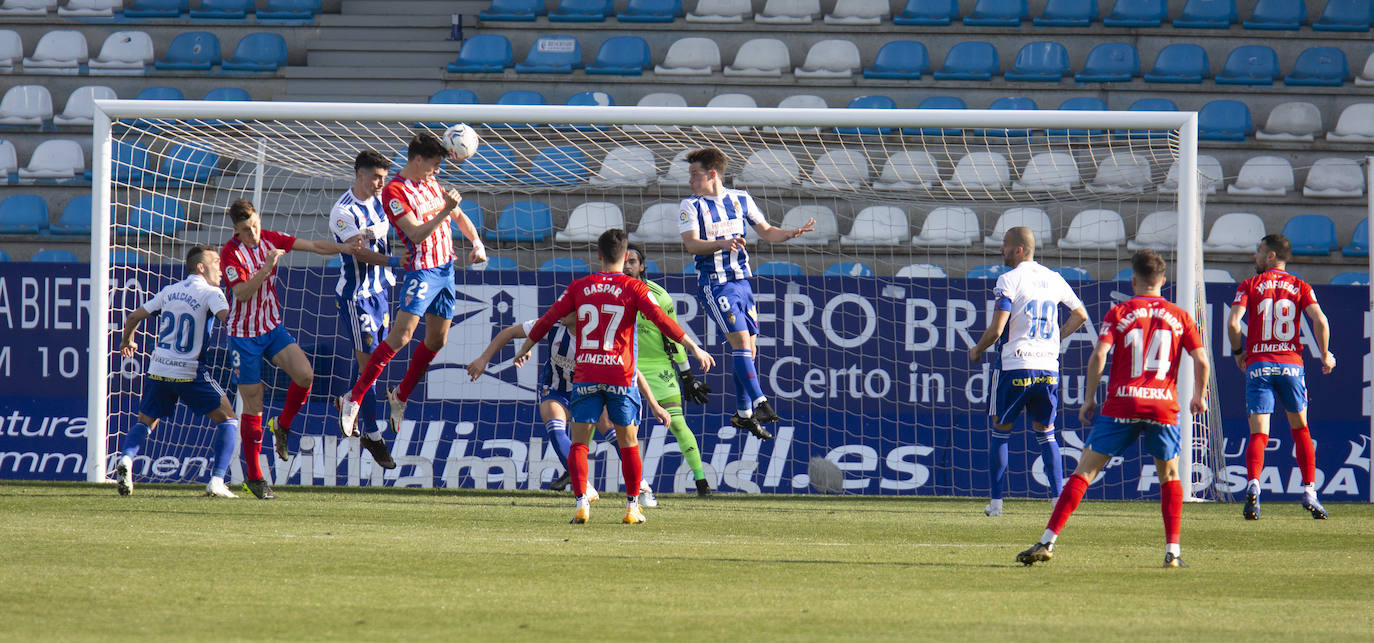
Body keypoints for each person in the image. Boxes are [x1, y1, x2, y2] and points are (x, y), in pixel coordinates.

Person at [1018, 250, 1210, 569]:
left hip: (1122, 400)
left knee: (1085, 472)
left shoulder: (1120, 311)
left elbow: (1099, 355)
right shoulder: (1180, 315)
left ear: (1133, 280)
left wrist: (1090, 397)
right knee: (1170, 475)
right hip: (1162, 404)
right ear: (1162, 281)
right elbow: (1202, 360)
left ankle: (1047, 541)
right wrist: (1199, 397)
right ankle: (1173, 553)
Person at [514, 229, 714, 525]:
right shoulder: (635, 288)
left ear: (598, 256)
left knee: (580, 442)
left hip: (587, 373)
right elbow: (663, 321)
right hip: (620, 375)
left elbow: (546, 321)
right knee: (628, 442)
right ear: (624, 256)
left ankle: (582, 502)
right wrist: (693, 347)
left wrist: (524, 348)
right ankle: (632, 507)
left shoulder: (580, 286)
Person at [338, 132, 485, 436]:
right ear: (418, 160)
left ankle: (400, 395)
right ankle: (354, 397)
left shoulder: (430, 182)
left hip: (446, 270)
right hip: (423, 271)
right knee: (401, 336)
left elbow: (457, 215)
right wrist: (444, 210)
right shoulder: (395, 191)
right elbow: (416, 234)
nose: (438, 170)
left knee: (437, 340)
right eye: (433, 164)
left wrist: (476, 241)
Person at [222, 198, 358, 499]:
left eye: (255, 225)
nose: (254, 233)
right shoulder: (231, 254)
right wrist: (267, 267)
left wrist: (344, 248)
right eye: (247, 229)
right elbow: (242, 293)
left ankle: (282, 425)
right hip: (243, 336)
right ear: (236, 230)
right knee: (254, 403)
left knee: (305, 376)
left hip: (271, 328)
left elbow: (313, 246)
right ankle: (255, 477)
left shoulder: (270, 238)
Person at [678, 147, 813, 440]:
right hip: (714, 283)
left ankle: (743, 415)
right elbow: (691, 245)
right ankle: (760, 401)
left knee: (748, 350)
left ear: (712, 174)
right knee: (740, 341)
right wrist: (723, 244)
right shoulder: (690, 206)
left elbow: (766, 231)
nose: (690, 181)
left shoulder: (741, 199)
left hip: (742, 283)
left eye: (695, 175)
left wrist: (790, 232)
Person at [466, 315, 671, 504]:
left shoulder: (598, 337)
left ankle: (641, 485)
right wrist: (484, 359)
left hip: (590, 391)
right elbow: (508, 332)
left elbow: (632, 369)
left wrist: (654, 405)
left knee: (614, 432)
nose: (562, 313)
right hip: (556, 389)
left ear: (581, 312)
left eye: (567, 309)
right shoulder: (551, 324)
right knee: (555, 428)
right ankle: (584, 486)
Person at [968, 227, 1089, 516]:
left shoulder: (1008, 279)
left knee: (1000, 432)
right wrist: (1055, 339)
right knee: (1047, 434)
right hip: (1048, 367)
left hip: (1015, 365)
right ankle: (1057, 500)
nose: (1002, 250)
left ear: (1019, 250)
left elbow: (997, 330)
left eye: (1006, 246)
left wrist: (976, 350)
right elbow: (1081, 315)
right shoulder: (1054, 278)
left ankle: (996, 505)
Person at [114, 245, 240, 498]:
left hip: (158, 368)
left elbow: (133, 316)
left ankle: (126, 460)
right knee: (229, 419)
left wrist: (127, 340)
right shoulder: (212, 293)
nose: (220, 268)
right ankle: (216, 481)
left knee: (146, 420)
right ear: (201, 267)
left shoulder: (169, 291)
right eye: (215, 262)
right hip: (189, 371)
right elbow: (230, 321)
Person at [1225, 234, 1335, 521]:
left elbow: (1234, 322)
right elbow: (1320, 320)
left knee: (1259, 433)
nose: (1255, 256)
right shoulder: (1300, 285)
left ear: (1271, 255)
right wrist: (1325, 354)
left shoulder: (1250, 285)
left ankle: (1253, 486)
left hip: (1259, 365)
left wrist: (1238, 351)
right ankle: (1310, 492)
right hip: (1290, 366)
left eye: (1259, 251)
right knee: (1300, 430)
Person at [327, 149, 405, 470]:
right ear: (359, 174)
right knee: (372, 361)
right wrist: (397, 261)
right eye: (376, 177)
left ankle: (350, 399)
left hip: (382, 292)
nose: (380, 184)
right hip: (356, 296)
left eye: (383, 178)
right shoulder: (343, 212)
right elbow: (359, 254)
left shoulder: (382, 200)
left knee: (377, 364)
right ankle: (372, 434)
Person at [625, 242, 714, 497]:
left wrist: (686, 374)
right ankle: (574, 472)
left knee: (676, 422)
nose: (628, 265)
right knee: (608, 421)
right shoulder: (613, 293)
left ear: (642, 266)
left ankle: (701, 482)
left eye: (633, 262)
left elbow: (673, 334)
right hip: (626, 364)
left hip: (658, 366)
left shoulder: (659, 296)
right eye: (624, 261)